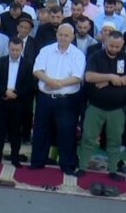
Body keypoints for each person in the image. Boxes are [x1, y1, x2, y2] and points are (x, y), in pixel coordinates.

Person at [80, 30, 126, 180]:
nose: (114, 49)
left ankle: (112, 170)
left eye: (117, 46)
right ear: (105, 42)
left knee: (115, 140)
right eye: (111, 45)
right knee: (88, 138)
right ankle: (82, 167)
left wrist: (108, 80)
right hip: (95, 106)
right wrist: (110, 76)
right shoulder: (96, 56)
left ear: (122, 44)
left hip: (116, 109)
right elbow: (89, 76)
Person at [30, 24, 86, 174]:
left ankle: (67, 165)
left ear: (72, 37)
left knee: (67, 133)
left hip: (67, 100)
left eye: (67, 35)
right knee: (41, 131)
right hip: (45, 98)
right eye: (61, 35)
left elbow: (78, 77)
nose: (63, 38)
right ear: (57, 35)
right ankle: (37, 162)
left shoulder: (78, 54)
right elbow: (37, 70)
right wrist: (49, 81)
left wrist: (58, 83)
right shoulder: (46, 50)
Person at [0, 37, 33, 167]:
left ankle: (15, 158)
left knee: (15, 133)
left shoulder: (28, 65)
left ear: (21, 49)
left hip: (18, 104)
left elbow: (30, 86)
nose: (14, 52)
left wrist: (15, 94)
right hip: (1, 102)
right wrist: (5, 92)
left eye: (17, 50)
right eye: (12, 49)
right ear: (8, 48)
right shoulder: (0, 62)